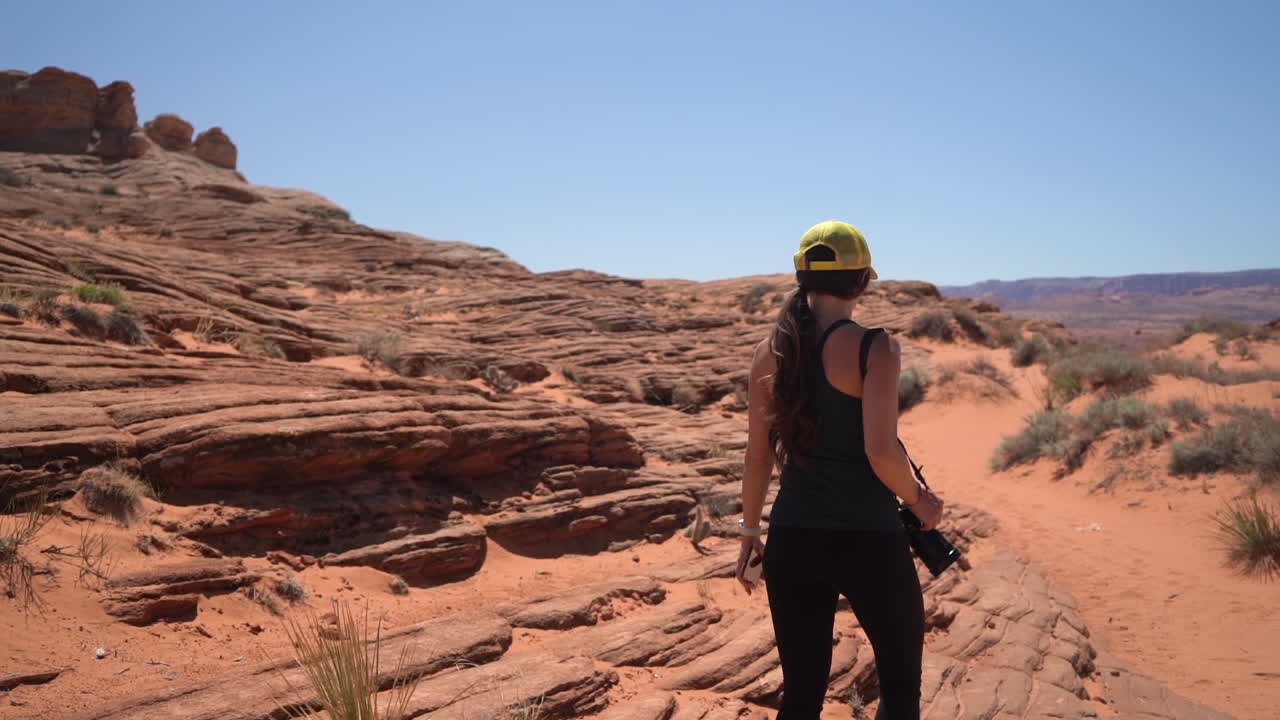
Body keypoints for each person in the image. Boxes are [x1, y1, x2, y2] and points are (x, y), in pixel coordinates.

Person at [735, 220, 945, 720]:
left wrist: (748, 530)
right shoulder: (876, 347)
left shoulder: (770, 352)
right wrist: (920, 502)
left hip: (792, 539)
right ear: (862, 281)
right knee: (899, 693)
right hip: (869, 539)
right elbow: (879, 451)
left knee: (802, 695)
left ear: (801, 278)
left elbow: (757, 456)